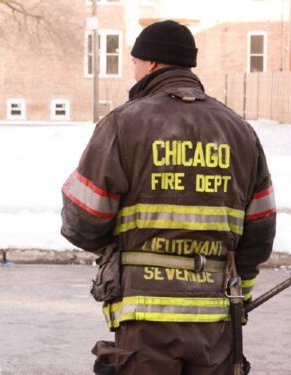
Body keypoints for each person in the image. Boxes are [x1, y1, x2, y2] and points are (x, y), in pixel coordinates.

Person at [61, 20, 276, 374]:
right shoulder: (240, 131)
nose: (134, 71)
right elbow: (260, 229)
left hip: (145, 319)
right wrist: (243, 293)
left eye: (134, 62)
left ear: (151, 63)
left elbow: (83, 219)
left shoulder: (123, 124)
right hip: (215, 322)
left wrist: (116, 252)